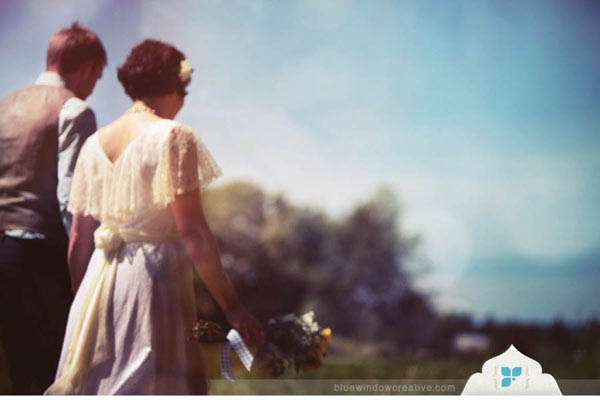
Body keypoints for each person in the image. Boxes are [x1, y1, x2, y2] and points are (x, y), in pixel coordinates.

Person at [45, 39, 264, 395]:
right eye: (183, 92)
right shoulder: (173, 136)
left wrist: (84, 305)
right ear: (174, 87)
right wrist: (233, 307)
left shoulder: (93, 144)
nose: (183, 103)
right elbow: (194, 233)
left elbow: (79, 241)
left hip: (98, 281)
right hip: (152, 282)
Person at [0, 23, 106, 394]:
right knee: (49, 376)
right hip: (40, 260)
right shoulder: (75, 110)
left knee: (14, 374)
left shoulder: (4, 105)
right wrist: (85, 275)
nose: (93, 87)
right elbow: (71, 201)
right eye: (97, 76)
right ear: (88, 67)